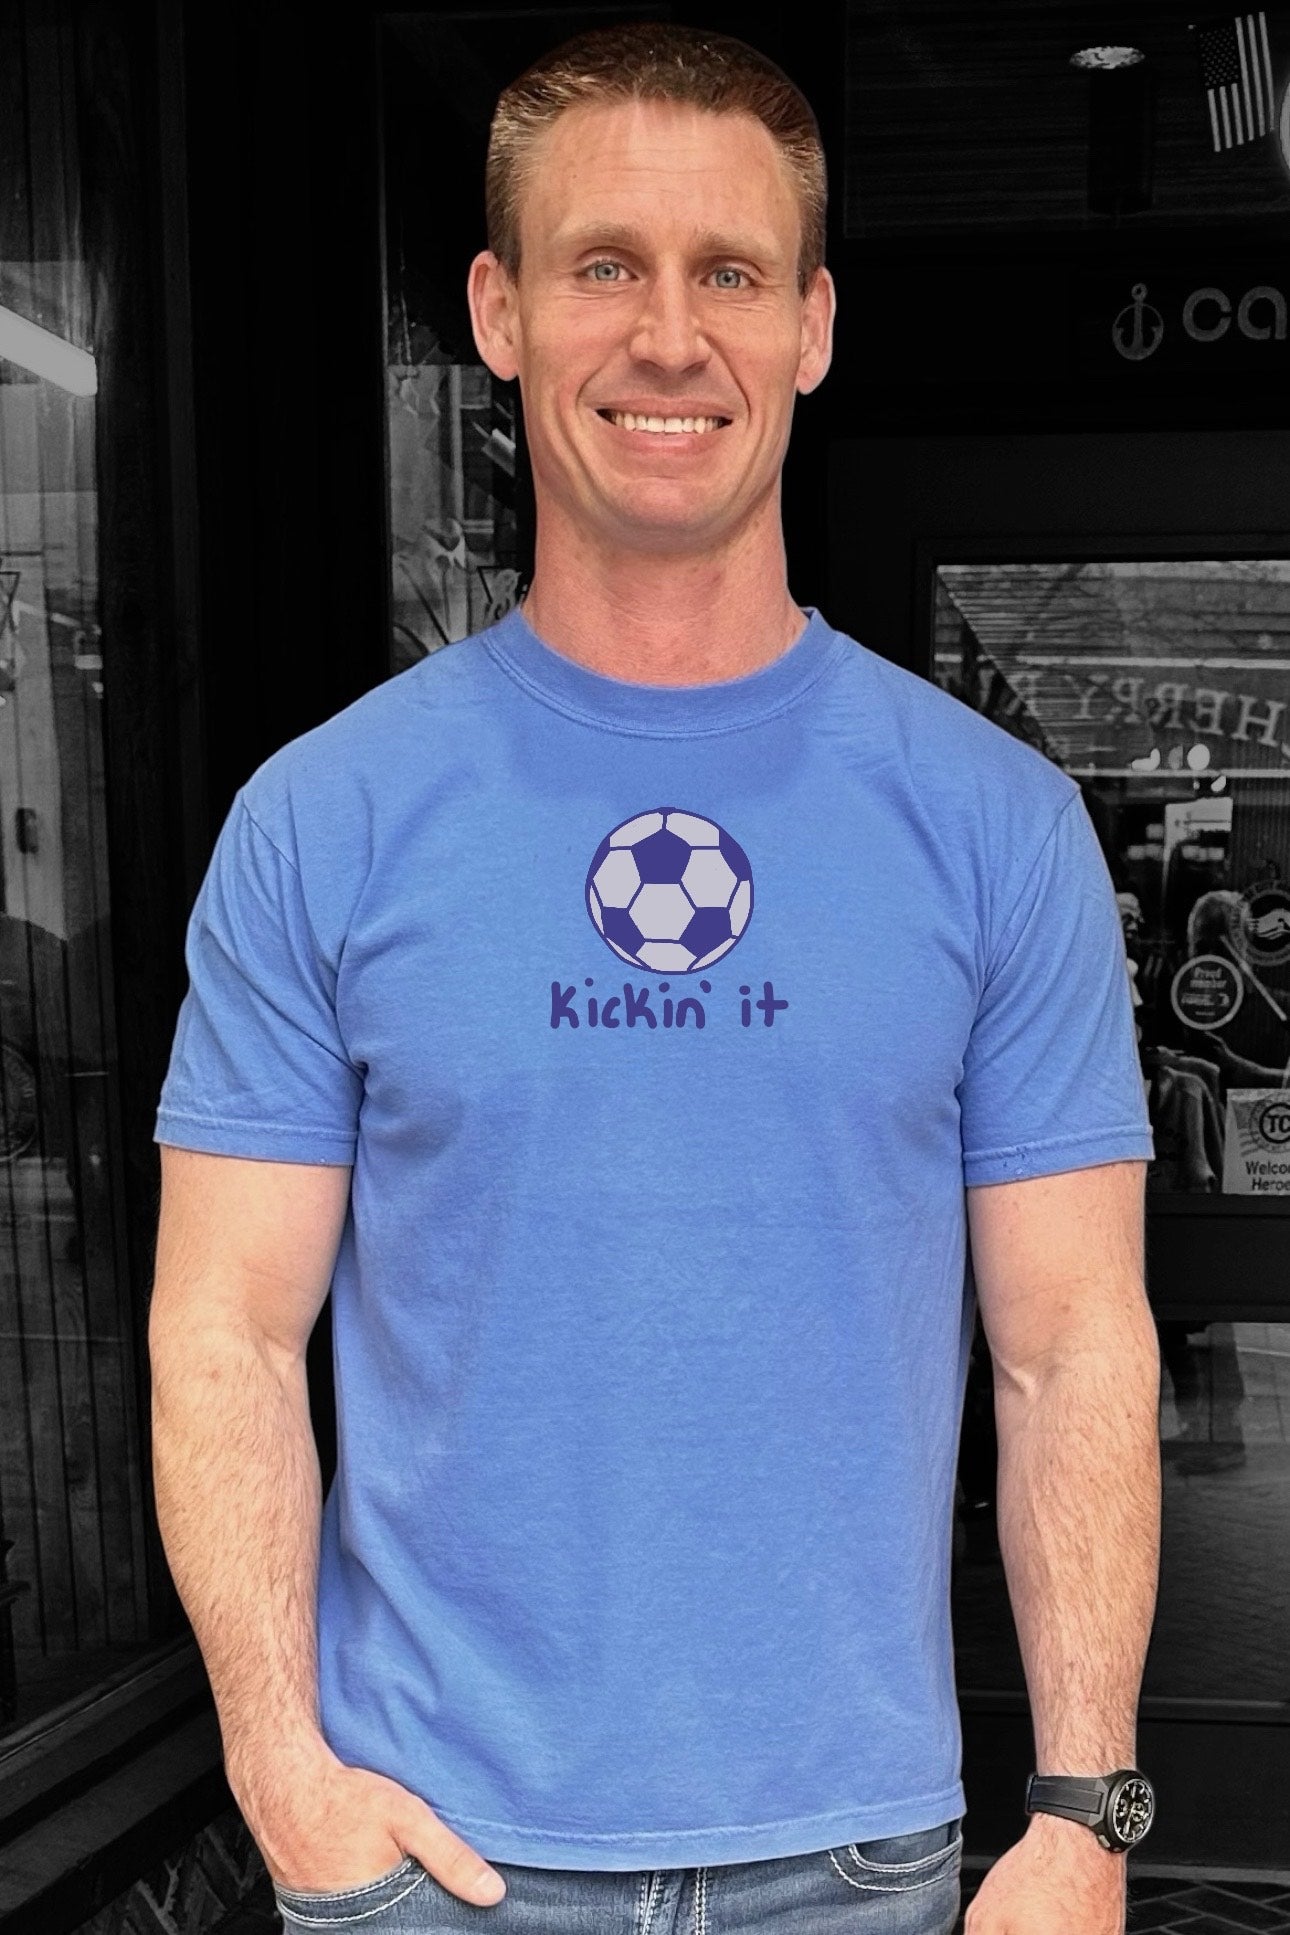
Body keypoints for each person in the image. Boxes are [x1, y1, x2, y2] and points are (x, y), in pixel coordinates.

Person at [148, 23, 1161, 1935]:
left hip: (855, 1854)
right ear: (498, 310)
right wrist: (282, 1770)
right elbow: (224, 1334)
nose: (670, 337)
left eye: (732, 275)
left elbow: (1072, 1344)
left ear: (814, 326)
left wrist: (1082, 1813)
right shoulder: (324, 820)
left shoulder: (993, 827)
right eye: (603, 264)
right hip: (431, 1857)